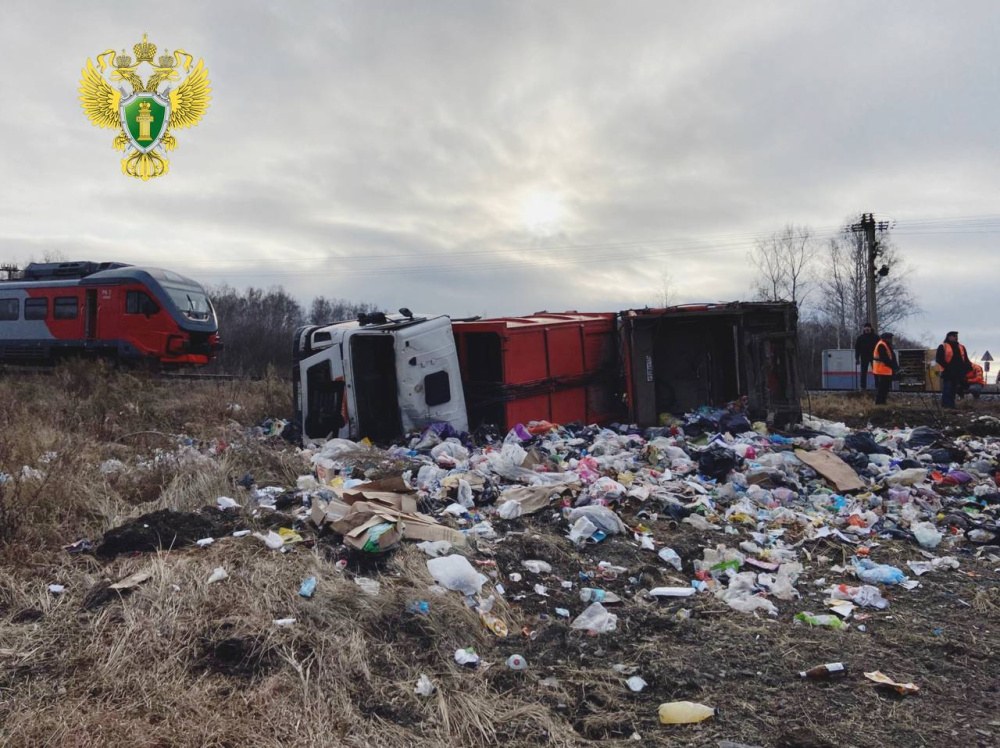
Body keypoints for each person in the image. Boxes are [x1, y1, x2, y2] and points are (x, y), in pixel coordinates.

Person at [935, 331, 972, 409]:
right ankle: (946, 405)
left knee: (953, 389)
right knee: (947, 389)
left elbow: (965, 359)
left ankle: (951, 405)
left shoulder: (961, 347)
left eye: (956, 336)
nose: (956, 337)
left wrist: (968, 367)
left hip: (958, 372)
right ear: (949, 337)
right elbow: (939, 359)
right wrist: (947, 367)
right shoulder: (943, 346)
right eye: (954, 336)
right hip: (947, 372)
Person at [872, 332, 899, 405]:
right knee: (882, 388)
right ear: (887, 338)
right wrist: (893, 366)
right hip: (881, 370)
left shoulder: (886, 345)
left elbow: (892, 357)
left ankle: (882, 402)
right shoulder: (881, 345)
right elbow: (885, 359)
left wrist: (895, 367)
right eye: (890, 338)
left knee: (885, 388)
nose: (891, 340)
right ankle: (879, 402)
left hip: (886, 370)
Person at [854, 323, 880, 391]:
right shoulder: (860, 338)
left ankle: (878, 386)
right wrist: (857, 358)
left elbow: (880, 348)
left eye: (868, 327)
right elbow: (857, 349)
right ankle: (863, 387)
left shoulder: (876, 337)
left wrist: (880, 357)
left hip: (874, 357)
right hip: (864, 357)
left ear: (871, 328)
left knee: (876, 372)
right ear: (864, 329)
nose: (867, 329)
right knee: (863, 372)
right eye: (866, 327)